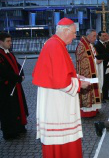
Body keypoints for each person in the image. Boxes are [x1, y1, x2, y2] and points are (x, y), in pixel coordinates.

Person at [32, 18, 91, 158]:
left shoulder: (55, 44)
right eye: (74, 33)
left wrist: (76, 76)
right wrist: (79, 84)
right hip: (57, 104)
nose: (75, 36)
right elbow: (60, 80)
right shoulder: (55, 46)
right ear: (65, 31)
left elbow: (61, 72)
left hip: (55, 99)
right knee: (62, 143)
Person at [0, 32, 29, 140]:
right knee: (8, 110)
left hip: (14, 85)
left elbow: (17, 66)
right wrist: (17, 78)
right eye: (8, 41)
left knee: (17, 107)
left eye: (10, 41)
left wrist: (21, 74)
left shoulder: (9, 53)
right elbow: (4, 71)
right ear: (1, 42)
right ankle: (9, 132)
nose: (10, 43)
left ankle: (19, 127)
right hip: (5, 87)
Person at [76, 29, 102, 117]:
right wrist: (95, 61)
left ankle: (94, 108)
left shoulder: (89, 44)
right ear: (89, 36)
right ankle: (87, 111)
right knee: (88, 91)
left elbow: (92, 56)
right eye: (94, 36)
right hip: (87, 73)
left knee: (94, 90)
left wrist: (95, 60)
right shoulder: (82, 45)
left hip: (93, 70)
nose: (96, 38)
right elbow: (82, 60)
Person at [94, 31, 109, 102]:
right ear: (99, 36)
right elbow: (98, 56)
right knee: (102, 81)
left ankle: (106, 95)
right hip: (101, 66)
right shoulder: (97, 44)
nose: (105, 37)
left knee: (107, 81)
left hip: (108, 65)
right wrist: (106, 56)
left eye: (105, 35)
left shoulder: (106, 44)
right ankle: (101, 97)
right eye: (103, 36)